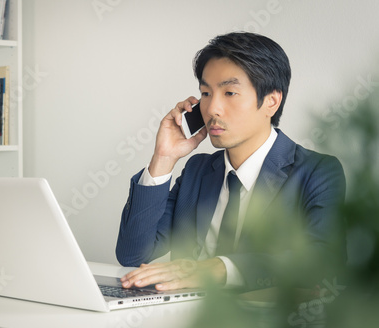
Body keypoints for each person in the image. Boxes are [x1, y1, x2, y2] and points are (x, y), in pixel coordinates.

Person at [116, 32, 346, 293]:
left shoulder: (317, 171)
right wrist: (163, 158)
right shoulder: (197, 170)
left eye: (230, 92)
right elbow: (132, 254)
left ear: (271, 101)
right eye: (205, 93)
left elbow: (323, 261)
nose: (212, 108)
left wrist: (218, 268)